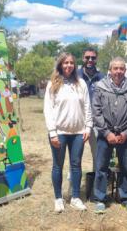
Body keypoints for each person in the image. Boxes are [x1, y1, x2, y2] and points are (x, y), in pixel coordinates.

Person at [43, 52, 92, 213]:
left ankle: (76, 198)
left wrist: (88, 127)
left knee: (76, 165)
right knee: (58, 166)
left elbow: (87, 107)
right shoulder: (53, 84)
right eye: (65, 63)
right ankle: (58, 198)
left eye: (71, 63)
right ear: (60, 65)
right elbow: (48, 109)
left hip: (78, 133)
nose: (69, 65)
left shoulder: (81, 84)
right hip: (59, 133)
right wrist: (52, 132)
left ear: (75, 65)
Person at [92, 57, 127, 214]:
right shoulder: (100, 87)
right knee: (101, 167)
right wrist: (107, 133)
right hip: (105, 135)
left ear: (125, 70)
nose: (118, 71)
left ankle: (126, 197)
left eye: (121, 68)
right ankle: (100, 198)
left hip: (125, 136)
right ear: (110, 70)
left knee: (126, 168)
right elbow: (96, 112)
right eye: (115, 68)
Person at [77, 47, 105, 171]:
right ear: (83, 58)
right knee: (75, 156)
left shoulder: (103, 78)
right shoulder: (76, 75)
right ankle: (73, 185)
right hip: (78, 121)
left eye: (93, 58)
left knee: (97, 155)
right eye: (87, 57)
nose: (90, 60)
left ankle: (96, 185)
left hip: (96, 123)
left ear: (96, 59)